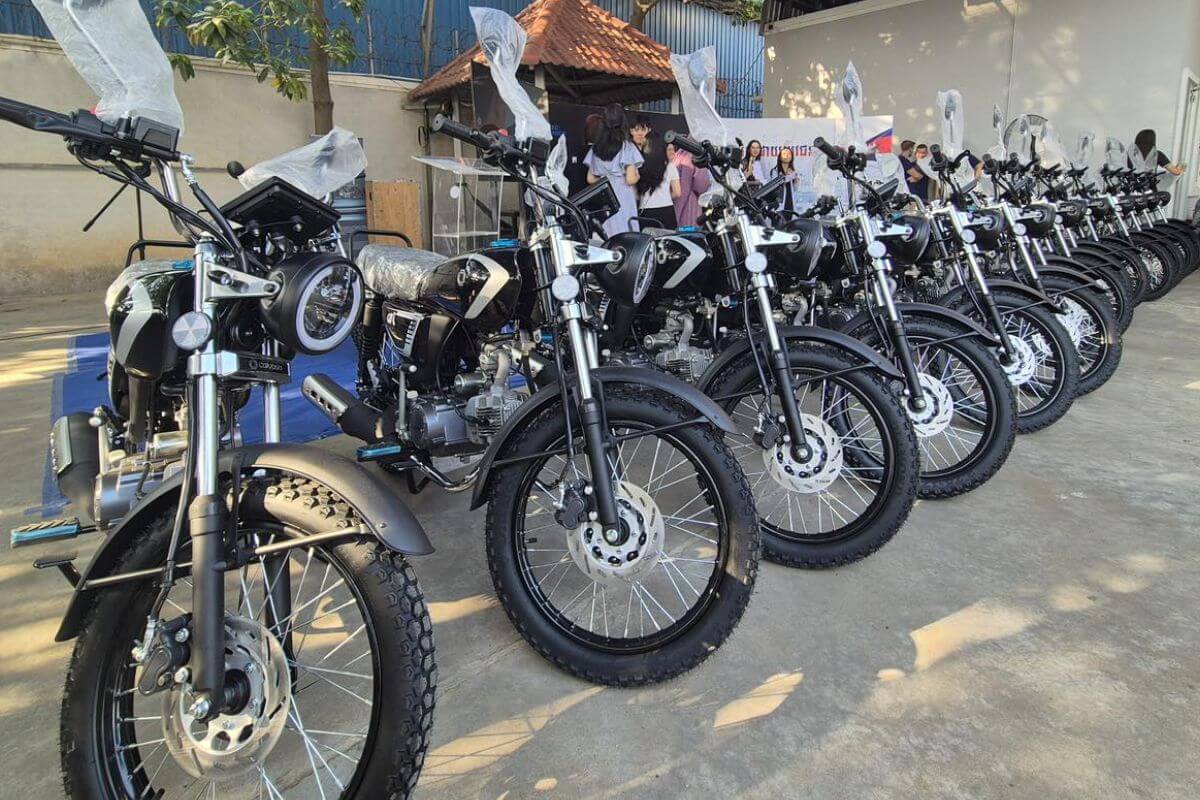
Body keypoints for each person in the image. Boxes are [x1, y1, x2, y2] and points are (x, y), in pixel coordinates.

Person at [584, 103, 643, 236]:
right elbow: (630, 179)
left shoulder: (596, 148)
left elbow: (590, 178)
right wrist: (637, 176)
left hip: (605, 195)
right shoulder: (626, 147)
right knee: (625, 234)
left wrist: (607, 177)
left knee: (607, 233)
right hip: (623, 196)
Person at [637, 133, 681, 228]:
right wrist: (665, 195)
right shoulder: (670, 166)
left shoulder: (639, 166)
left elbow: (635, 194)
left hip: (646, 212)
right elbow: (677, 193)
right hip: (666, 210)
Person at [669, 141, 711, 228]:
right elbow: (701, 186)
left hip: (673, 208)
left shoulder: (677, 155)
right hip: (690, 208)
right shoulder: (696, 156)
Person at [769, 146, 801, 214]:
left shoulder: (793, 171)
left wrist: (796, 180)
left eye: (789, 154)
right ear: (780, 157)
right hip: (779, 203)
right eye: (784, 154)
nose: (786, 156)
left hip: (790, 202)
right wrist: (790, 176)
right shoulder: (775, 171)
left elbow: (795, 189)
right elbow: (776, 185)